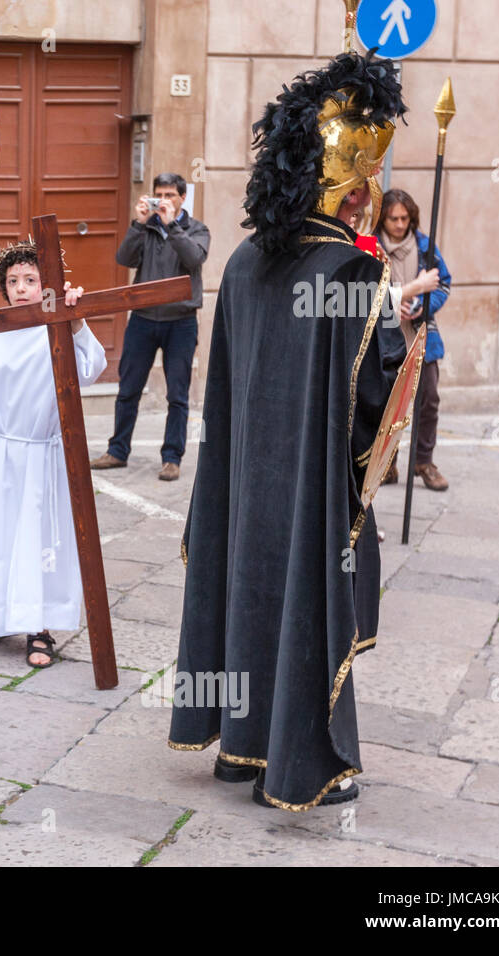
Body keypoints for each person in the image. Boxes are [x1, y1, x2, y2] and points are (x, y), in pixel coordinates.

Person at [169, 52, 408, 811]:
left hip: (243, 481)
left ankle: (239, 752)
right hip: (305, 486)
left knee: (247, 583)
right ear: (354, 188)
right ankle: (302, 764)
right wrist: (404, 334)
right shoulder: (350, 274)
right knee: (302, 594)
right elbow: (371, 400)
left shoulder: (243, 264)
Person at [0, 238, 103, 668]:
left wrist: (76, 322)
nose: (21, 288)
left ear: (48, 285)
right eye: (13, 281)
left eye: (30, 279)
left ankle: (39, 627)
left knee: (42, 541)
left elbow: (92, 367)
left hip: (44, 454)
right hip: (6, 452)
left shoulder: (58, 329)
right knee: (3, 539)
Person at [91, 172, 210, 482]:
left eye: (170, 195)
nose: (164, 201)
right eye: (160, 195)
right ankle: (117, 451)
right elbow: (124, 259)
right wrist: (138, 223)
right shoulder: (146, 228)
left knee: (178, 395)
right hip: (143, 320)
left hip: (181, 322)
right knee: (128, 390)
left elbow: (194, 259)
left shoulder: (196, 229)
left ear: (182, 198)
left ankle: (172, 458)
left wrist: (172, 226)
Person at [376, 188, 449, 490]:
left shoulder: (424, 247)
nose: (399, 224)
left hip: (421, 338)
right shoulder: (372, 248)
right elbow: (363, 297)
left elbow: (442, 284)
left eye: (404, 218)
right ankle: (386, 464)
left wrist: (420, 306)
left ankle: (423, 461)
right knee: (386, 406)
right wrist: (395, 306)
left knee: (428, 400)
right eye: (393, 218)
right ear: (384, 218)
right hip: (385, 341)